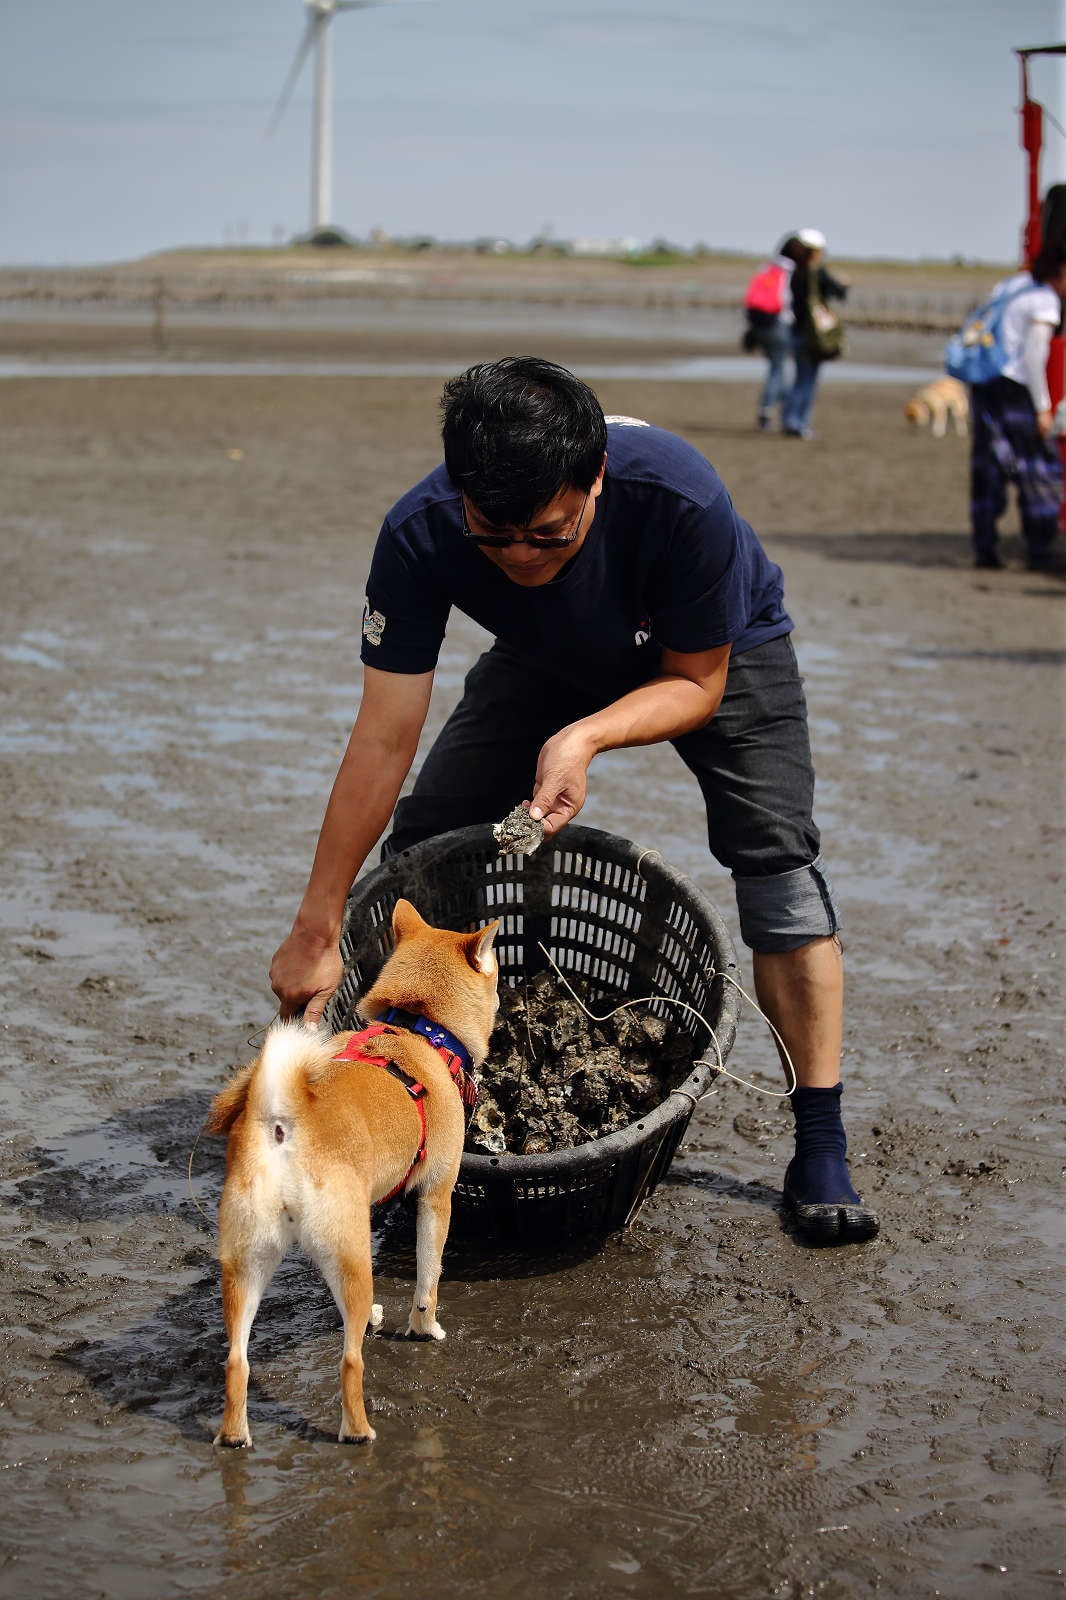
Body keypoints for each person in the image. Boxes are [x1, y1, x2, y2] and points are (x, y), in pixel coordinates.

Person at [269, 356, 879, 1245]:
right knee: (428, 851)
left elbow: (696, 684)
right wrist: (316, 927)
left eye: (548, 535)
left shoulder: (680, 500)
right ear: (460, 493)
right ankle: (462, 1067)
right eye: (494, 535)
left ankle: (820, 1139)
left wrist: (587, 735)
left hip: (714, 655)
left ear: (593, 480)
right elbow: (382, 738)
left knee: (779, 876)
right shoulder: (422, 531)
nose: (519, 555)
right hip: (545, 655)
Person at [969, 238, 1066, 571]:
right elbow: (1033, 357)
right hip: (1016, 391)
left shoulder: (1012, 285)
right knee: (1039, 470)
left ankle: (985, 549)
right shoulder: (1044, 301)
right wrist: (1043, 407)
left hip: (985, 386)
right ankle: (1039, 551)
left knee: (988, 469)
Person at [781, 228, 848, 440]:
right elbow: (839, 292)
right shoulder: (817, 271)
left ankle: (789, 420)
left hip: (795, 332)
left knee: (799, 378)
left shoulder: (793, 271)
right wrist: (844, 283)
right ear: (815, 251)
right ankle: (800, 424)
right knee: (808, 380)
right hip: (813, 336)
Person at [742, 242, 796, 430]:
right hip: (778, 325)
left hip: (761, 325)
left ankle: (777, 411)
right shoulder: (790, 270)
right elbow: (786, 299)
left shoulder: (767, 267)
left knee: (776, 368)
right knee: (778, 370)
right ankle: (768, 411)